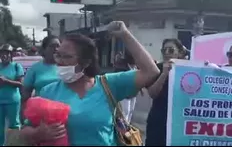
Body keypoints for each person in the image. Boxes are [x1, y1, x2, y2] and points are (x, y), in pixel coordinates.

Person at [19, 21, 160, 146]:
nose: (59, 61)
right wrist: (38, 133)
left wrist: (125, 35)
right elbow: (25, 131)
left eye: (67, 57)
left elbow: (151, 71)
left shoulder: (109, 84)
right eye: (58, 55)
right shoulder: (48, 92)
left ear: (86, 62)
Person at [145, 38, 185, 146]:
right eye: (164, 51)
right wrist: (164, 73)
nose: (167, 53)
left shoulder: (186, 70)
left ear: (179, 52)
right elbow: (152, 93)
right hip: (158, 120)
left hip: (178, 122)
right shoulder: (156, 69)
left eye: (171, 50)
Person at [0, 44, 24, 146]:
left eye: (6, 53)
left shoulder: (17, 67)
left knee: (14, 124)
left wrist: (6, 81)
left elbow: (21, 83)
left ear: (11, 55)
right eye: (2, 53)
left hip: (13, 100)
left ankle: (14, 143)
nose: (4, 56)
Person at [22, 35, 60, 100]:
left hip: (64, 108)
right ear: (44, 49)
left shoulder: (67, 67)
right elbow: (26, 93)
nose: (56, 49)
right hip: (41, 108)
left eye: (58, 46)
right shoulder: (35, 69)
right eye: (52, 46)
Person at [114, 50, 138, 123]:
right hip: (124, 94)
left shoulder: (135, 67)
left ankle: (128, 126)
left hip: (133, 93)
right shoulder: (122, 67)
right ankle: (123, 130)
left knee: (131, 111)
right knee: (125, 112)